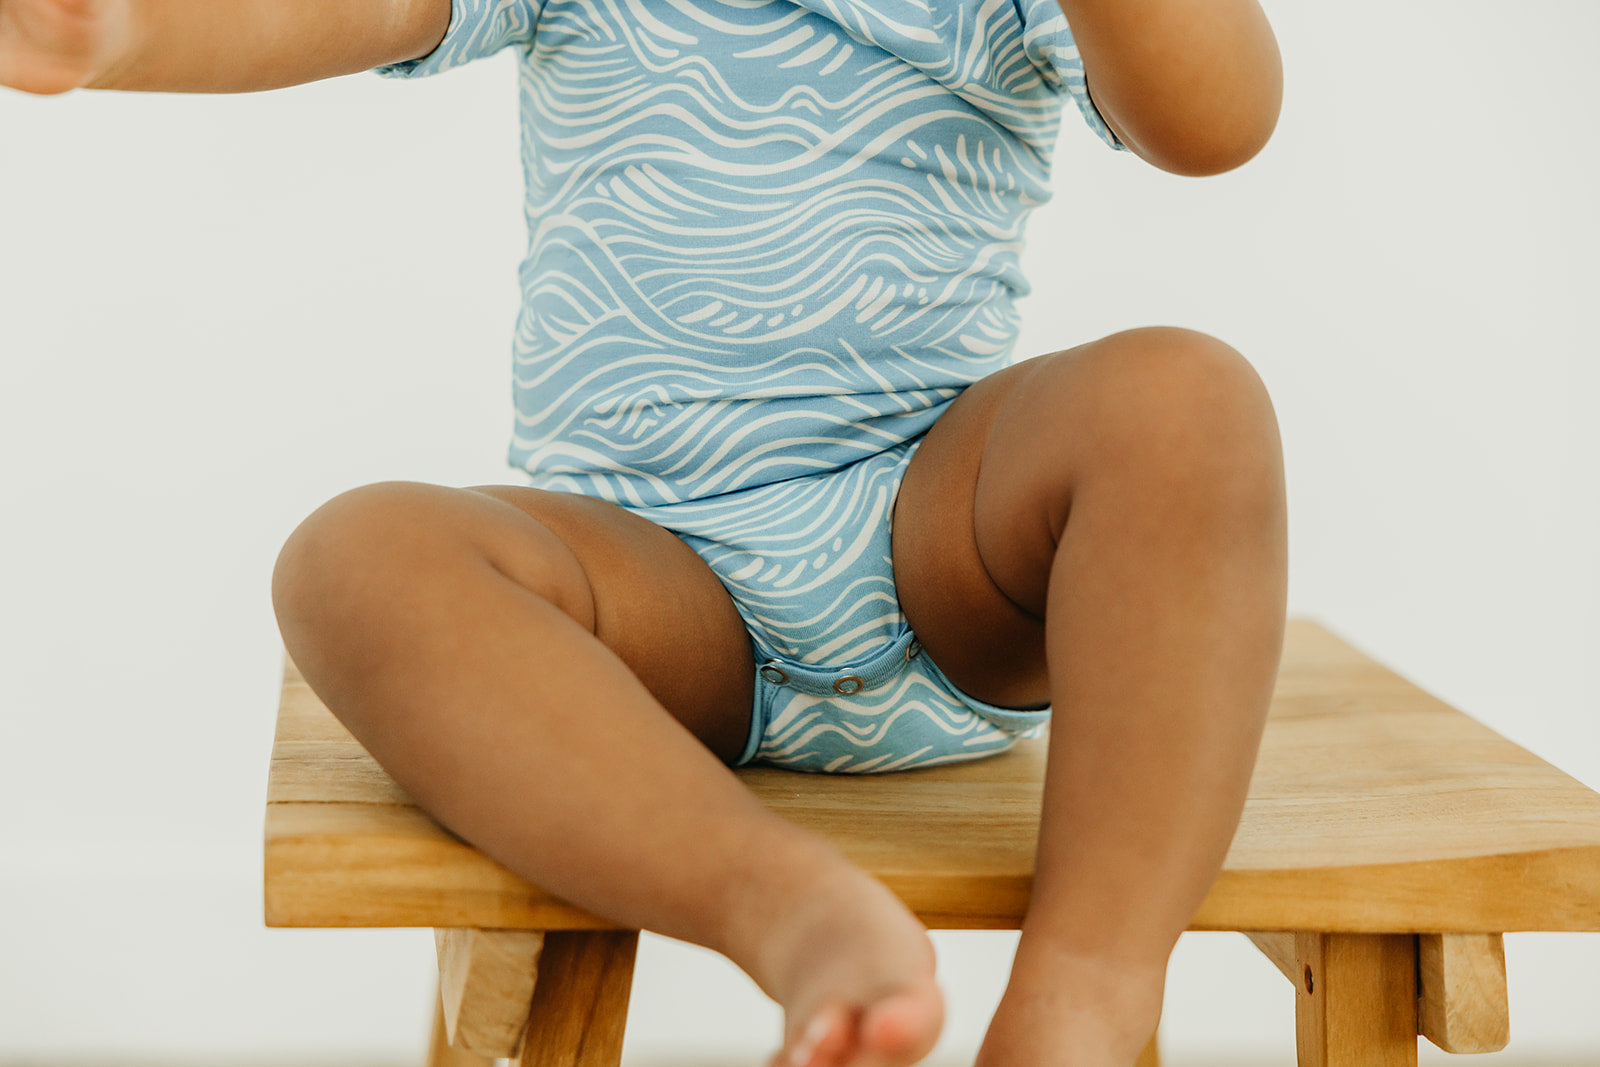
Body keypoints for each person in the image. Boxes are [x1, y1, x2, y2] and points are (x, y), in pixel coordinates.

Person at [1, 0, 1286, 1062]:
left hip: (943, 541)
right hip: (652, 595)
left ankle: (1085, 992)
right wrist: (123, 29)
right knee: (357, 553)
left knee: (1185, 401)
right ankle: (793, 912)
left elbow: (1216, 123)